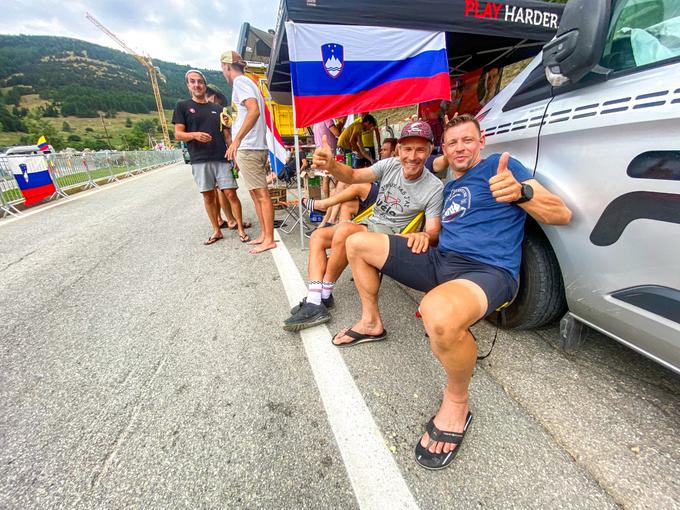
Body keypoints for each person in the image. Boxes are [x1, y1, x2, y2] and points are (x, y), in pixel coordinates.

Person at [337, 114, 572, 470]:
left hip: (487, 271)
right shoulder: (445, 185)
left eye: (467, 140)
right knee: (357, 242)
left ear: (482, 141)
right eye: (453, 143)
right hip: (441, 260)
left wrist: (522, 193)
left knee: (439, 314)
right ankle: (371, 322)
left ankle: (457, 401)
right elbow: (427, 220)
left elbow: (561, 213)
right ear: (444, 150)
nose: (460, 147)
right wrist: (423, 236)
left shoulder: (500, 168)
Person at [283, 121, 444, 332]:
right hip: (370, 222)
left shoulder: (434, 187)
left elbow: (433, 231)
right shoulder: (391, 164)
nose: (412, 156)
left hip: (392, 236)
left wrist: (425, 235)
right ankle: (319, 297)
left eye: (420, 149)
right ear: (399, 149)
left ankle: (316, 301)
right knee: (318, 237)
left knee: (345, 230)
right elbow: (352, 176)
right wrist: (331, 165)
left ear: (430, 150)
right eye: (407, 149)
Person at [172, 70, 249, 245]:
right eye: (193, 82)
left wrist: (234, 156)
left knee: (231, 193)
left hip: (221, 157)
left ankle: (241, 229)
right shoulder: (182, 106)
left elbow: (227, 136)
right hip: (199, 159)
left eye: (200, 82)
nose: (197, 85)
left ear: (204, 85)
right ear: (188, 85)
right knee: (208, 196)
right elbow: (178, 134)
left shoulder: (218, 109)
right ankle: (216, 230)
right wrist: (194, 135)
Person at [220, 50, 276, 254]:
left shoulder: (240, 83)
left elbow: (253, 110)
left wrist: (236, 139)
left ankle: (269, 238)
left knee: (260, 194)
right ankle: (265, 234)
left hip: (250, 147)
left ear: (225, 67)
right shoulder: (248, 82)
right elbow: (250, 113)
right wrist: (234, 125)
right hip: (253, 145)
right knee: (255, 193)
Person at [205, 83, 252, 232]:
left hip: (220, 154)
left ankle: (224, 219)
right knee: (221, 189)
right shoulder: (211, 111)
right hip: (215, 155)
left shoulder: (221, 112)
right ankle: (229, 220)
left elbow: (228, 135)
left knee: (220, 189)